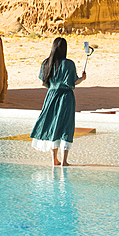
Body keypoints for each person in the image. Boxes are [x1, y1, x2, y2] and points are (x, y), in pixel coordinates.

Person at [29, 37, 86, 166]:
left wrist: (54, 87)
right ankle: (64, 161)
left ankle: (54, 159)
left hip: (51, 96)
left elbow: (44, 83)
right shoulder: (68, 64)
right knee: (66, 125)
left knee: (53, 124)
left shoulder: (46, 63)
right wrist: (82, 78)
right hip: (65, 97)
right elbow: (72, 83)